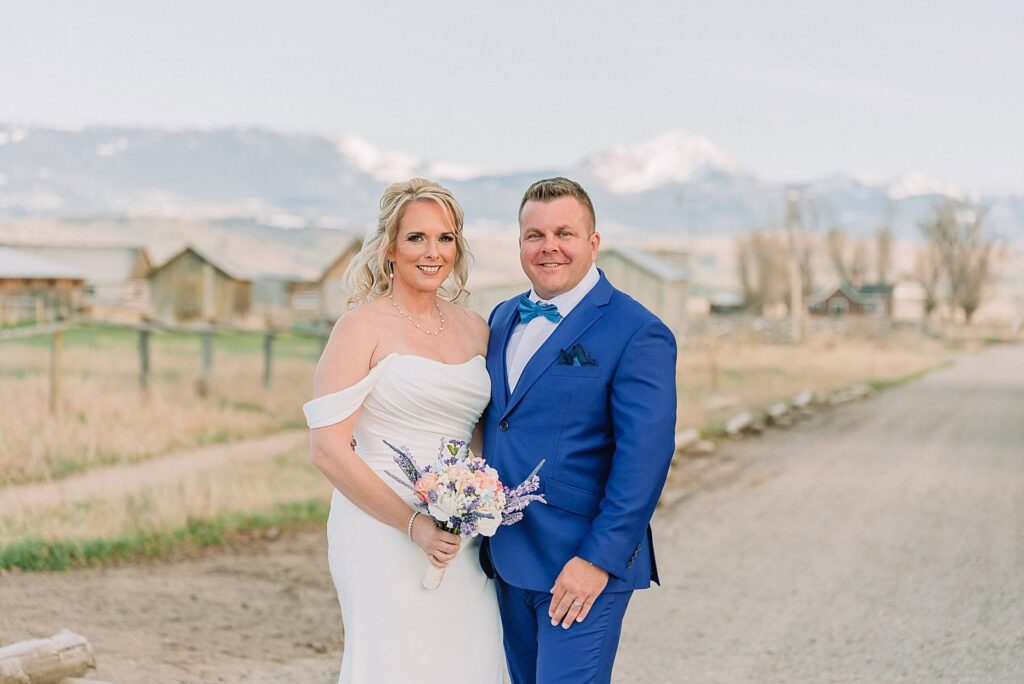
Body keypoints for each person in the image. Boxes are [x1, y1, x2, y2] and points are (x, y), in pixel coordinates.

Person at [302, 178, 503, 683]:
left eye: (445, 238)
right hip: (379, 525)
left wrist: (476, 504)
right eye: (417, 238)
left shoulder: (477, 328)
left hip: (461, 528)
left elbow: (481, 435)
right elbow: (327, 449)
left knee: (472, 655)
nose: (432, 252)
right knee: (392, 661)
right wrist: (414, 524)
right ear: (390, 247)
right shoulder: (359, 328)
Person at [480, 177, 677, 683]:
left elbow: (644, 460)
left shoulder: (638, 331)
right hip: (504, 558)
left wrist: (597, 559)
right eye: (534, 235)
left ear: (593, 242)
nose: (549, 247)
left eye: (564, 233)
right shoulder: (501, 318)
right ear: (520, 243)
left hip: (579, 561)